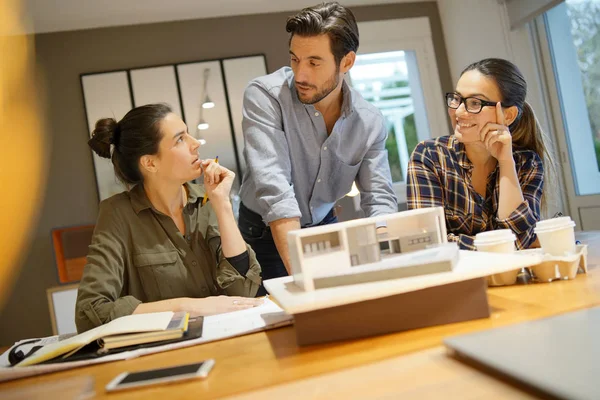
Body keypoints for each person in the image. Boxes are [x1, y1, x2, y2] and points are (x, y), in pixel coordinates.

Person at [237, 2, 397, 288]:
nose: (300, 75)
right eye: (295, 60)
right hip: (263, 233)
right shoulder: (265, 97)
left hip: (323, 227)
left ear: (346, 62)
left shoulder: (369, 122)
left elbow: (379, 198)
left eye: (314, 62)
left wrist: (389, 260)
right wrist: (305, 281)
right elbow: (275, 190)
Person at [75, 103, 262, 333]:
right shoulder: (117, 214)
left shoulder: (208, 201)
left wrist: (222, 204)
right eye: (180, 139)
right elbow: (90, 312)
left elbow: (243, 290)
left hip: (228, 337)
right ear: (150, 163)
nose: (196, 143)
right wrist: (189, 307)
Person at [407, 58, 555, 250]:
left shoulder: (527, 163)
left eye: (475, 102)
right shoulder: (429, 156)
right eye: (457, 99)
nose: (459, 112)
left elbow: (521, 239)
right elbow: (427, 243)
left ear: (508, 115)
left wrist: (505, 162)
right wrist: (501, 244)